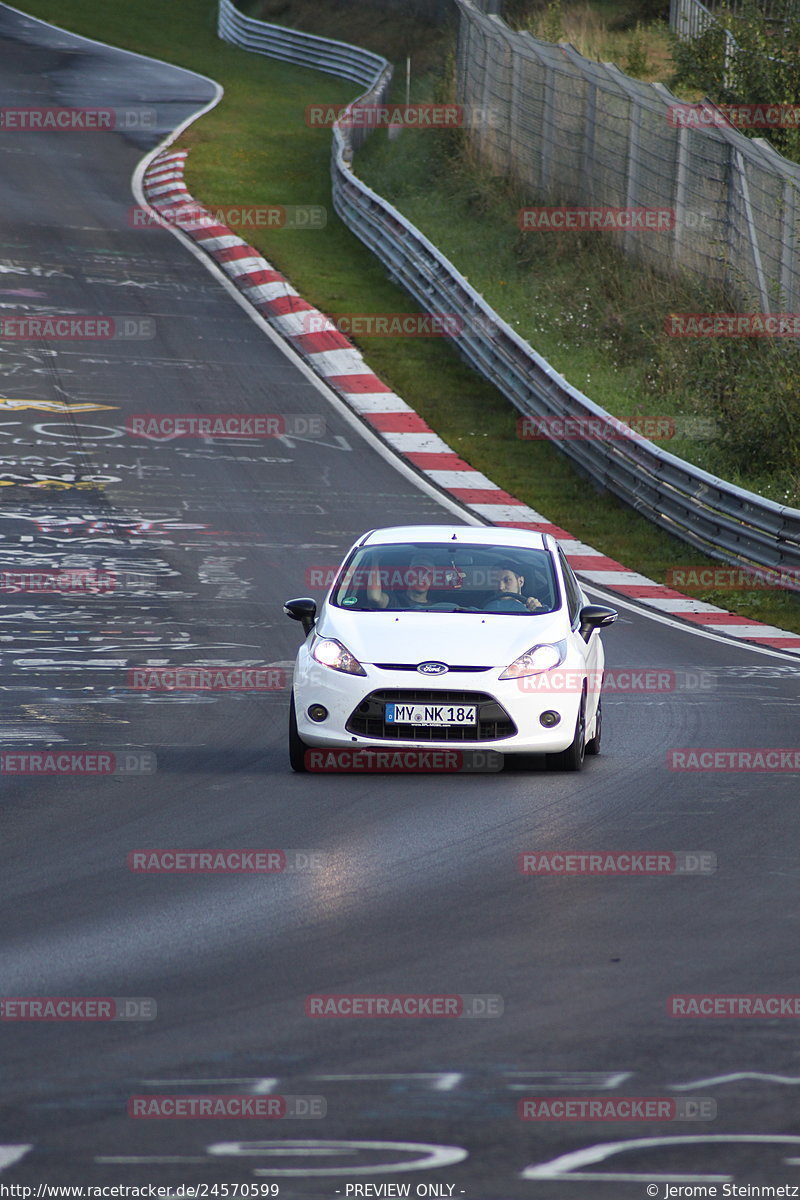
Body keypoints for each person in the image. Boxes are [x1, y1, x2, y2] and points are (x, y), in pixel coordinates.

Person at [366, 554, 440, 610]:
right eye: (417, 573)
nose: (422, 577)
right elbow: (374, 597)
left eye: (427, 574)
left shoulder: (437, 608)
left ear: (433, 580)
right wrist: (375, 560)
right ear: (408, 576)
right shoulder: (393, 599)